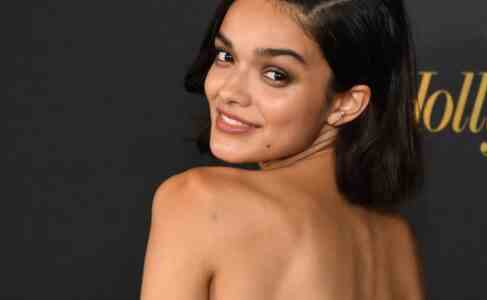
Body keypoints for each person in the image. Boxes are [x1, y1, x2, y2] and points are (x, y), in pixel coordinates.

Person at [140, 0, 424, 299]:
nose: (229, 91)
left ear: (346, 104)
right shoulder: (395, 239)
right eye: (226, 56)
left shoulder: (201, 200)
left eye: (275, 74)